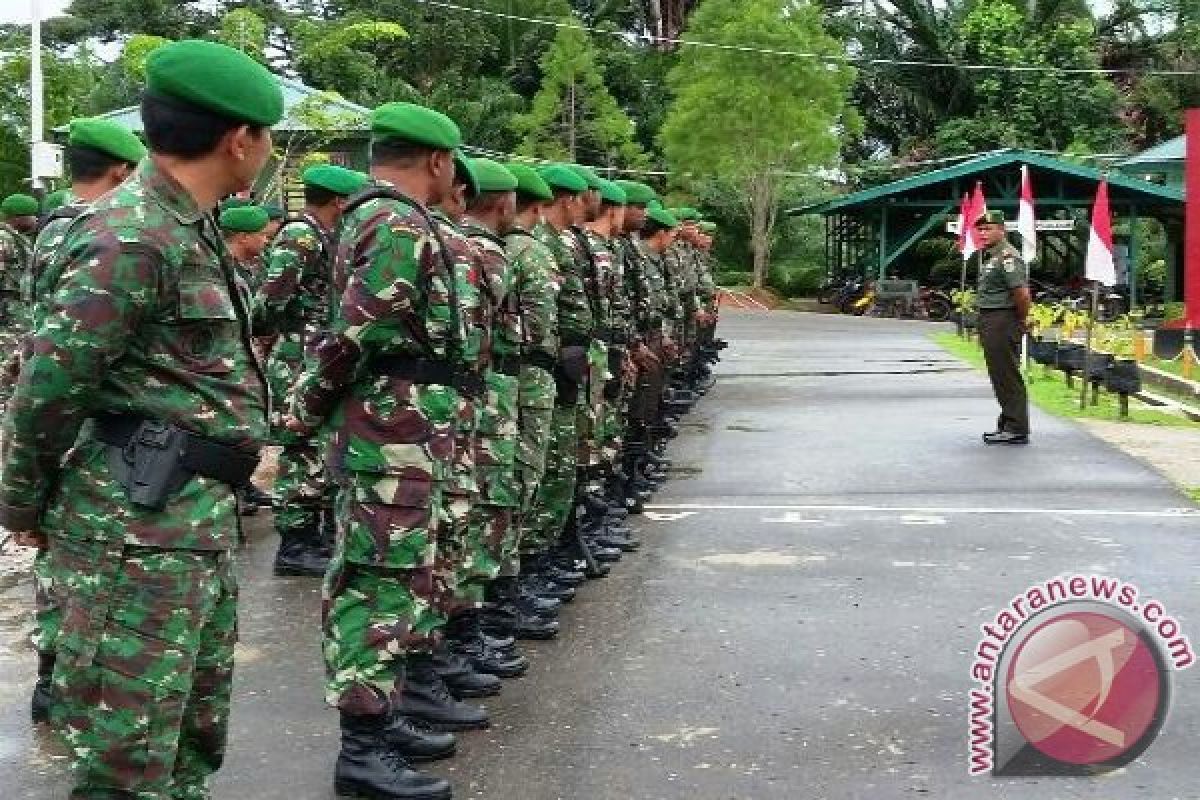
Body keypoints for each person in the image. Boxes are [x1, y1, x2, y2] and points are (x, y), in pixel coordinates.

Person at [0, 39, 282, 799]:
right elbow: (48, 387)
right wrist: (23, 502)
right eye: (267, 136)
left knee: (190, 734)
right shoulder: (133, 235)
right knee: (129, 752)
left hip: (186, 521)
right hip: (133, 527)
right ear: (239, 139)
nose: (267, 150)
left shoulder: (190, 225)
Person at [286, 101, 486, 800]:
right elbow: (352, 338)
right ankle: (362, 752)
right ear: (438, 160)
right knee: (375, 585)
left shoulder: (383, 217)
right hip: (388, 440)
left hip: (404, 436)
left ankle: (386, 715)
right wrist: (299, 419)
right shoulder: (396, 221)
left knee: (403, 579)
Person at [20, 115, 146, 725]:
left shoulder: (49, 229)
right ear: (122, 171)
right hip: (85, 408)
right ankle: (64, 681)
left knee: (55, 552)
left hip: (54, 394)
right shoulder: (106, 232)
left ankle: (50, 679)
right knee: (79, 562)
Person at [257, 164, 367, 577]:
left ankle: (314, 532)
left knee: (318, 446)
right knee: (300, 445)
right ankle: (295, 541)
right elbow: (270, 299)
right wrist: (287, 332)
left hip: (316, 348)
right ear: (340, 202)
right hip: (297, 352)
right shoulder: (300, 235)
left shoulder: (326, 235)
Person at [974, 210, 1031, 445]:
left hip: (1002, 319)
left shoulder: (1008, 257)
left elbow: (1022, 294)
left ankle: (1016, 428)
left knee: (1006, 375)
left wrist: (1021, 319)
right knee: (1000, 375)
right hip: (992, 319)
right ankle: (1008, 423)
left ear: (1002, 230)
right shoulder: (993, 256)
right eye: (981, 229)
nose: (983, 233)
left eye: (988, 229)